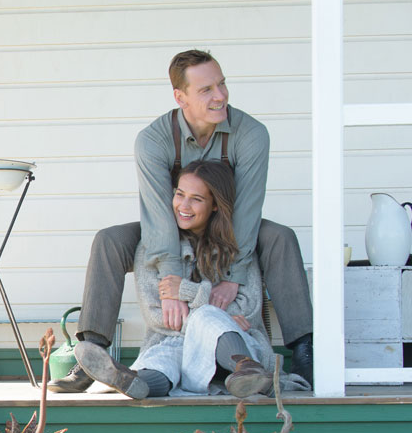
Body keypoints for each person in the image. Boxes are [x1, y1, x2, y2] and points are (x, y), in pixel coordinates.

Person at [50, 49, 313, 398]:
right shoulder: (154, 140)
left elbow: (248, 211)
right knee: (109, 240)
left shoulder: (251, 135)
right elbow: (158, 214)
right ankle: (91, 354)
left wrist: (232, 277)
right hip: (172, 224)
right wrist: (171, 286)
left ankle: (305, 350)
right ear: (180, 97)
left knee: (280, 236)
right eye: (206, 90)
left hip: (230, 227)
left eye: (222, 84)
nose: (220, 96)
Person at [129, 161, 307, 397]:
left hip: (238, 343)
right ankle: (136, 383)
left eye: (197, 199)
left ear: (214, 205)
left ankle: (247, 368)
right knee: (164, 357)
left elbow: (248, 308)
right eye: (180, 194)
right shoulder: (151, 247)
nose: (183, 205)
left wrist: (187, 292)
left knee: (207, 317)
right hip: (174, 343)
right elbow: (156, 315)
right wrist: (223, 317)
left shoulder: (237, 247)